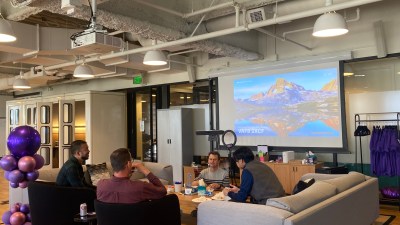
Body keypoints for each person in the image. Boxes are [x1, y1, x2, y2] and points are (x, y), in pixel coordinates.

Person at [96, 148, 167, 204]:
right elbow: (162, 191)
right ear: (128, 164)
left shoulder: (100, 185)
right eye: (131, 160)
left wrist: (128, 173)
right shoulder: (140, 187)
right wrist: (144, 170)